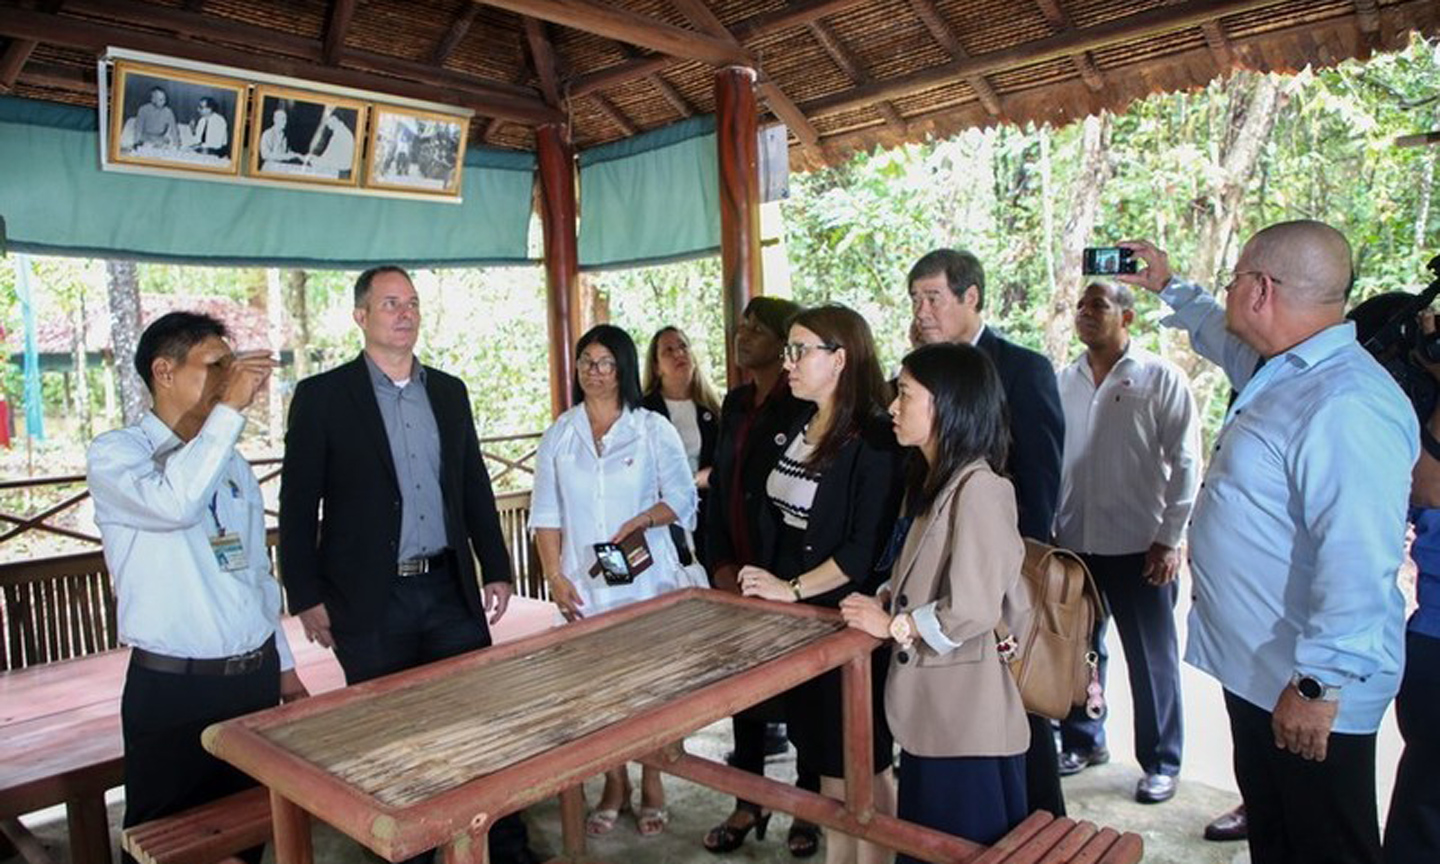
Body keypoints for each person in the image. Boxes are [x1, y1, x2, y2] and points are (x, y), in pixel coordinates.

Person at [1118, 221, 1417, 864]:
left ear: (1258, 291)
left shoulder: (1345, 402)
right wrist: (1169, 285)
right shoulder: (1284, 370)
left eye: (1232, 283)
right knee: (1279, 840)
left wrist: (1318, 684)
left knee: (1325, 847)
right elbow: (1218, 340)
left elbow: (1358, 557)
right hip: (1263, 672)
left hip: (1308, 687)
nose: (1226, 297)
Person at [278, 266, 532, 864]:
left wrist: (494, 564)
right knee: (390, 742)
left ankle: (505, 848)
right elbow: (296, 506)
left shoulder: (448, 390)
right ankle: (409, 855)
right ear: (361, 316)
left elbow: (472, 483)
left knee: (477, 725)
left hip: (447, 587)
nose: (404, 313)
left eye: (412, 302)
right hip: (369, 600)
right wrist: (304, 594)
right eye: (390, 303)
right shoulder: (322, 397)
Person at [88, 312, 308, 864]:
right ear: (163, 371)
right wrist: (229, 409)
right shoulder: (118, 454)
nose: (229, 380)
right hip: (175, 692)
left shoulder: (229, 461)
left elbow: (256, 572)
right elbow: (174, 503)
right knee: (169, 846)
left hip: (251, 682)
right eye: (215, 366)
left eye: (232, 369)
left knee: (248, 831)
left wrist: (283, 668)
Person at [841, 341, 1030, 854]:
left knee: (960, 847)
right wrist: (885, 599)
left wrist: (893, 626)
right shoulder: (932, 482)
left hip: (966, 723)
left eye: (905, 394)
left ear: (947, 403)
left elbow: (972, 607)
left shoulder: (982, 488)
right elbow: (919, 577)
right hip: (935, 716)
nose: (893, 407)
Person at [906, 248, 1067, 817]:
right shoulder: (921, 372)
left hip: (1000, 577)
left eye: (933, 297)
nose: (922, 310)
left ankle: (1041, 827)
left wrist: (1014, 577)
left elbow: (1040, 481)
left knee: (1017, 708)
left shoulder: (1023, 369)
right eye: (915, 299)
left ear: (971, 296)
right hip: (936, 573)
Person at [739, 303, 903, 864]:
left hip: (845, 618)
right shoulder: (798, 422)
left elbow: (861, 552)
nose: (788, 362)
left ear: (840, 358)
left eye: (799, 350)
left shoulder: (876, 438)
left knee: (859, 764)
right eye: (787, 349)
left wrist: (793, 587)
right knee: (829, 763)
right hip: (800, 622)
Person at [529, 323, 699, 838]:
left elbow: (684, 498)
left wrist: (644, 520)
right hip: (588, 585)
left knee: (651, 688)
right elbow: (545, 512)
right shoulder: (561, 433)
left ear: (623, 368)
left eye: (605, 362)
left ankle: (653, 782)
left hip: (647, 584)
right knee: (599, 691)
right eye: (585, 362)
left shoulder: (651, 429)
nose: (594, 372)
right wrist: (555, 576)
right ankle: (613, 781)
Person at [1053, 281, 1201, 804]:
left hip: (1142, 545)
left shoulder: (1160, 378)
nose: (1086, 314)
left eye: (1099, 306)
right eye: (1081, 306)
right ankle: (1083, 739)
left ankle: (1161, 761)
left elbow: (1186, 463)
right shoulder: (1062, 380)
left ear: (1128, 318)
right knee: (1080, 655)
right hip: (1075, 543)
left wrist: (1170, 537)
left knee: (1151, 658)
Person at [703, 296, 822, 858]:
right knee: (741, 696)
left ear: (785, 343)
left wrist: (784, 580)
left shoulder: (803, 406)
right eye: (741, 324)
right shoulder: (735, 402)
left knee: (803, 699)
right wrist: (720, 564)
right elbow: (721, 484)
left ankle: (808, 804)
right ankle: (746, 802)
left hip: (787, 578)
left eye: (755, 327)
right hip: (736, 575)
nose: (740, 333)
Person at [641, 325, 720, 566]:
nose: (679, 354)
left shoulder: (711, 409)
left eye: (683, 347)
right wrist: (689, 482)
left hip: (706, 512)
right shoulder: (643, 411)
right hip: (658, 512)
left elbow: (726, 463)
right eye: (668, 351)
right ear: (656, 366)